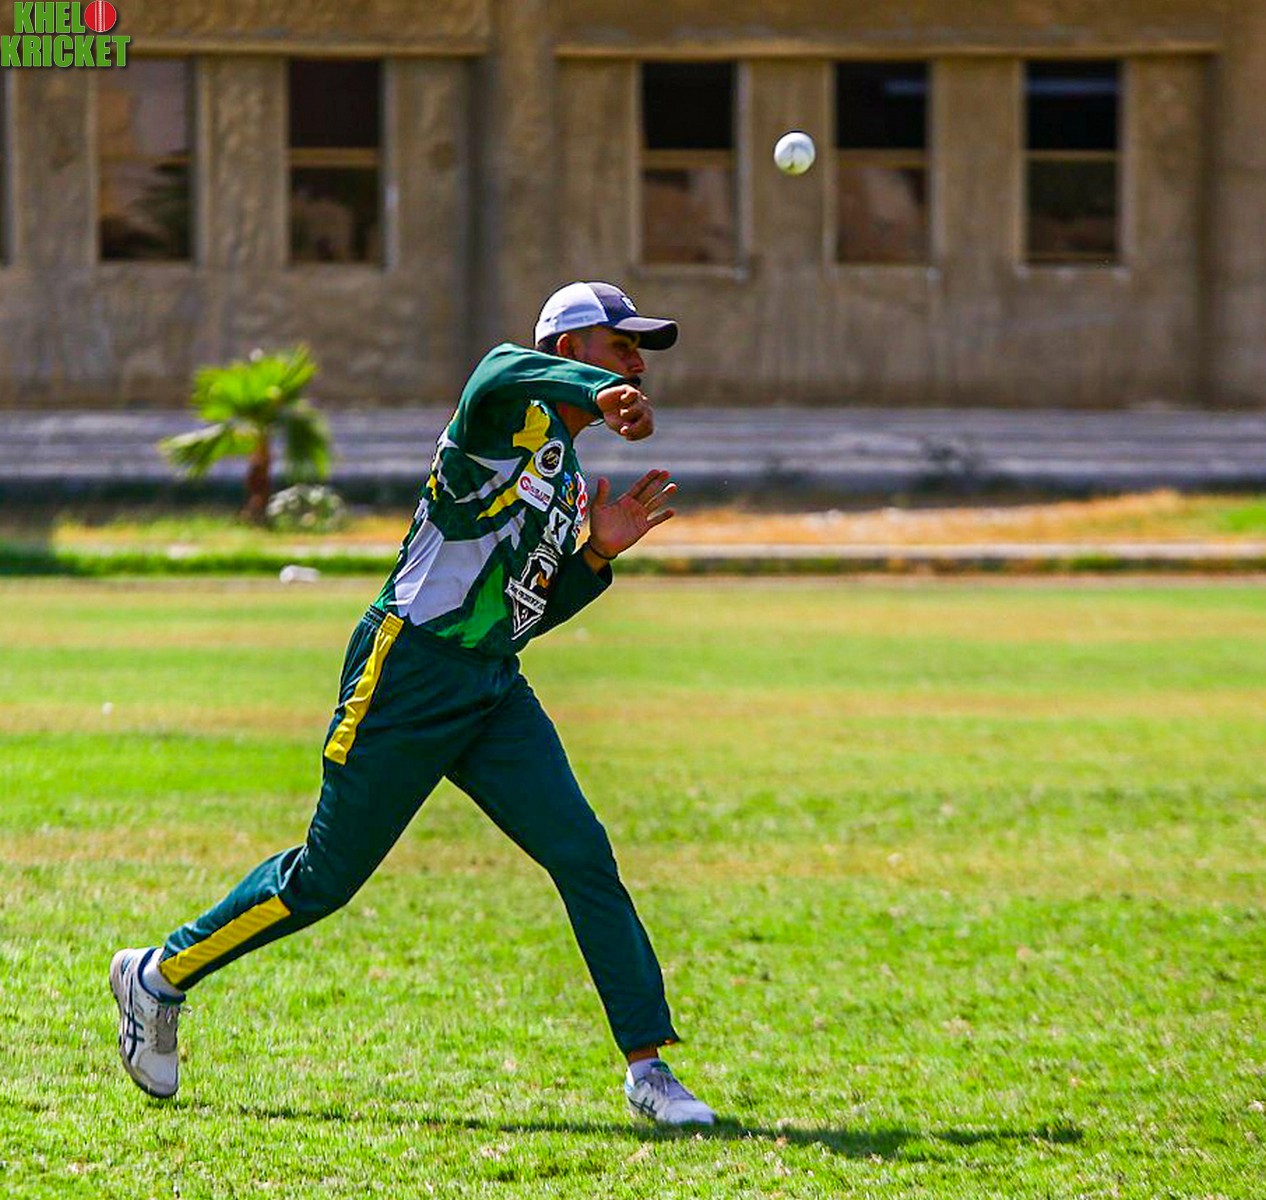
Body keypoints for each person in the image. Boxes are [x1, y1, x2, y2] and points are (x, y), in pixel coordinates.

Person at [110, 281, 717, 1127]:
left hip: (492, 686)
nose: (636, 365)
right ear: (569, 350)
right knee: (324, 880)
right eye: (622, 347)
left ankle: (648, 1069)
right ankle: (158, 975)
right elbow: (499, 366)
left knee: (583, 852)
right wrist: (595, 391)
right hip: (408, 672)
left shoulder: (572, 483)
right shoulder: (505, 412)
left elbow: (524, 615)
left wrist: (595, 557)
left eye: (637, 355)